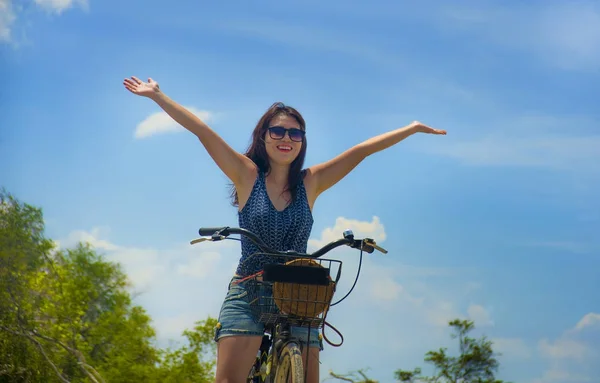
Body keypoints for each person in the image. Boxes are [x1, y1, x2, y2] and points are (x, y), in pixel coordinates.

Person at [123, 76, 446, 383]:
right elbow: (203, 132)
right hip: (249, 290)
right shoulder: (246, 175)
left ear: (302, 141)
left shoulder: (311, 182)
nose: (286, 139)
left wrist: (412, 129)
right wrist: (157, 95)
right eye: (277, 131)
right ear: (263, 136)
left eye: (295, 134)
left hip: (298, 293)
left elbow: (360, 151)